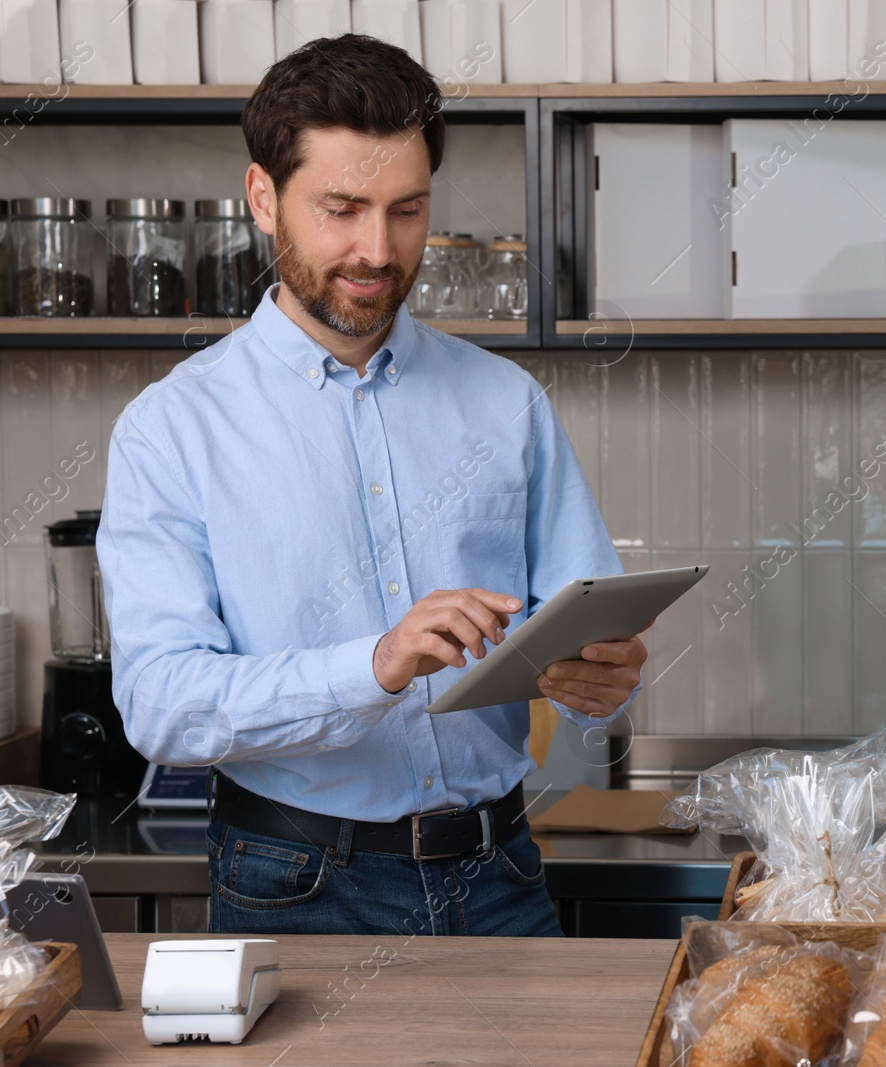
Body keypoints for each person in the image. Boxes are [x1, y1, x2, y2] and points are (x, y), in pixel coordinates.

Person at [97, 35, 645, 937]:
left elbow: (583, 625)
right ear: (264, 199)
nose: (377, 250)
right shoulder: (173, 428)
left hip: (500, 870)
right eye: (342, 209)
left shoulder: (506, 401)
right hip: (297, 885)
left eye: (407, 210)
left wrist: (604, 675)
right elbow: (162, 706)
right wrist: (375, 665)